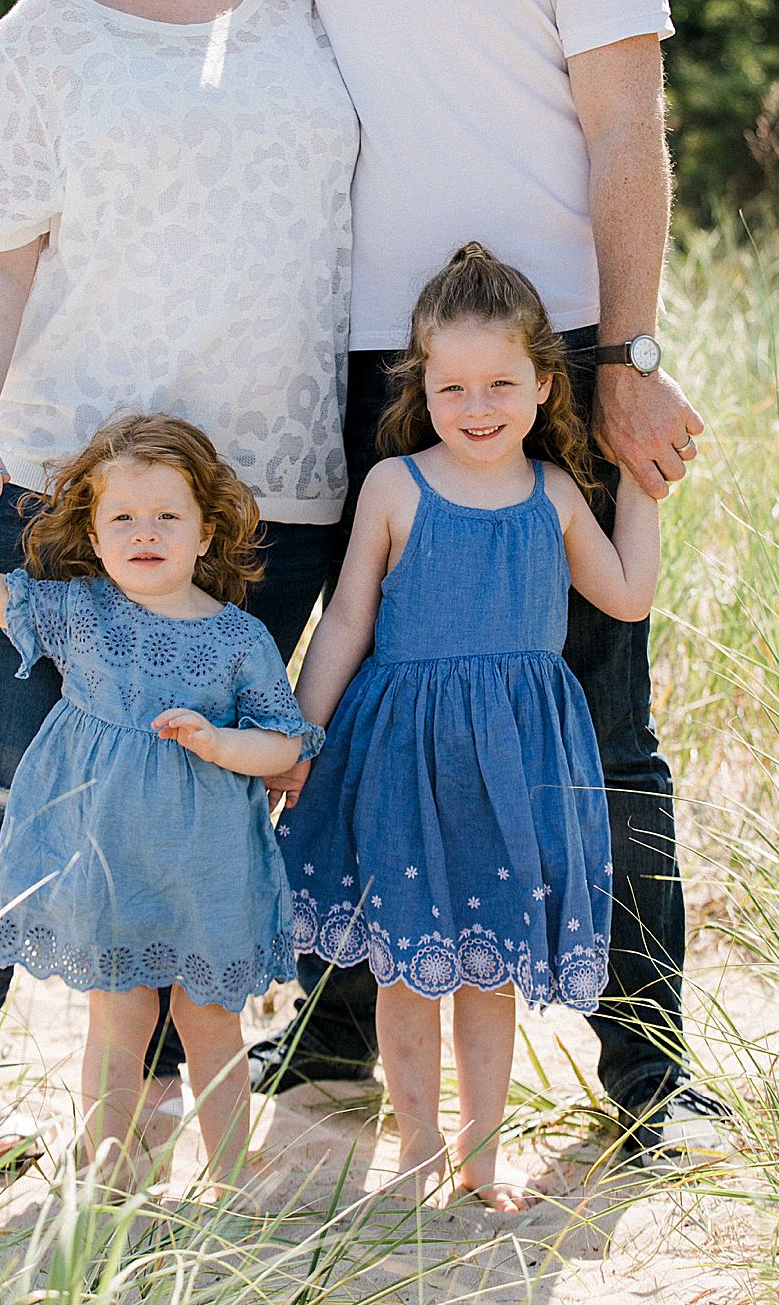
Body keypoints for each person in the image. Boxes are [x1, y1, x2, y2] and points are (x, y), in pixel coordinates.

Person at [245, 0, 726, 1166]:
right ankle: (323, 1038)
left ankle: (652, 1066)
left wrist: (631, 352)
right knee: (365, 691)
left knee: (596, 705)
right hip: (368, 346)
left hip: (556, 346)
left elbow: (625, 124)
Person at [0, 0, 357, 1165]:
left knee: (200, 774)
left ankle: (161, 1089)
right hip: (75, 485)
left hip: (277, 484)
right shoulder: (46, 40)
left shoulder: (308, 6)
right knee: (21, 758)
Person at [275, 246, 658, 1208]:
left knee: (484, 971)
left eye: (499, 383)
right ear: (422, 385)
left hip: (513, 765)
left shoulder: (558, 493)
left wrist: (645, 487)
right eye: (451, 386)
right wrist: (300, 740)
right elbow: (348, 622)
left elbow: (626, 592)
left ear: (541, 386)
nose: (476, 406)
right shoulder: (395, 486)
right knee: (408, 974)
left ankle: (481, 1162)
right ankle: (416, 1147)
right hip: (404, 756)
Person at [0, 413, 324, 1192]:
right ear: (93, 529)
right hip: (108, 859)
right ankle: (108, 1184)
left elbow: (286, 744)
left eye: (166, 516)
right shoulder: (80, 609)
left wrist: (222, 745)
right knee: (119, 1023)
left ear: (206, 534)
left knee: (210, 1022)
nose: (143, 532)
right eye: (122, 517)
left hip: (204, 865)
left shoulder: (238, 638)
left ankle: (229, 1186)